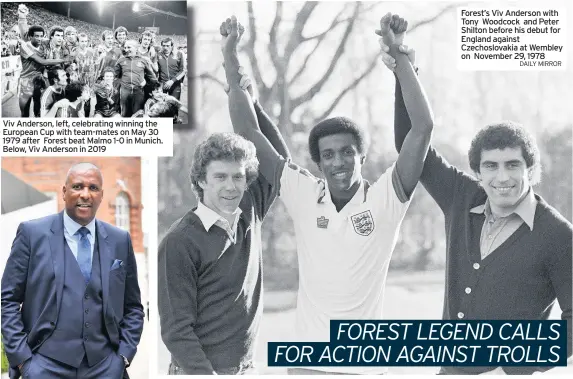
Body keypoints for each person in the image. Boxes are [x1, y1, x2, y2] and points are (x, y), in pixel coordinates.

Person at [221, 13, 433, 375]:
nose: (339, 162)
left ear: (362, 156)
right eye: (329, 155)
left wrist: (398, 58)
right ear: (318, 163)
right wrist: (230, 56)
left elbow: (422, 128)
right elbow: (248, 132)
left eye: (348, 151)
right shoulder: (304, 193)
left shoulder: (387, 198)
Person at [379, 36, 573, 375]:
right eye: (491, 166)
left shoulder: (557, 235)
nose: (503, 177)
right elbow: (410, 142)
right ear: (478, 172)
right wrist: (404, 70)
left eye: (513, 165)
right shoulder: (461, 196)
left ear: (530, 169)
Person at [1, 163, 144, 379]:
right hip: (45, 367)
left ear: (101, 195)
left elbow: (133, 307)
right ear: (64, 192)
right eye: (78, 186)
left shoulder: (119, 240)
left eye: (93, 188)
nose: (85, 194)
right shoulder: (32, 234)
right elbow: (8, 300)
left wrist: (123, 357)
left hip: (105, 367)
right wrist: (24, 361)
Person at [16, 4, 70, 117]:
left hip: (41, 83)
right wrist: (22, 17)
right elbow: (26, 35)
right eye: (58, 35)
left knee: (39, 111)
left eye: (62, 36)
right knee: (24, 113)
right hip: (26, 82)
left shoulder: (64, 47)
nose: (60, 38)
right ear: (51, 37)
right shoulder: (42, 43)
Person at [114, 39, 158, 117]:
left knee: (137, 114)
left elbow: (152, 77)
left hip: (138, 91)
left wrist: (146, 84)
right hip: (125, 91)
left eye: (129, 47)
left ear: (136, 48)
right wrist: (119, 85)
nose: (126, 50)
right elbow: (114, 75)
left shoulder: (143, 60)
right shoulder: (121, 60)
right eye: (125, 47)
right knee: (124, 114)